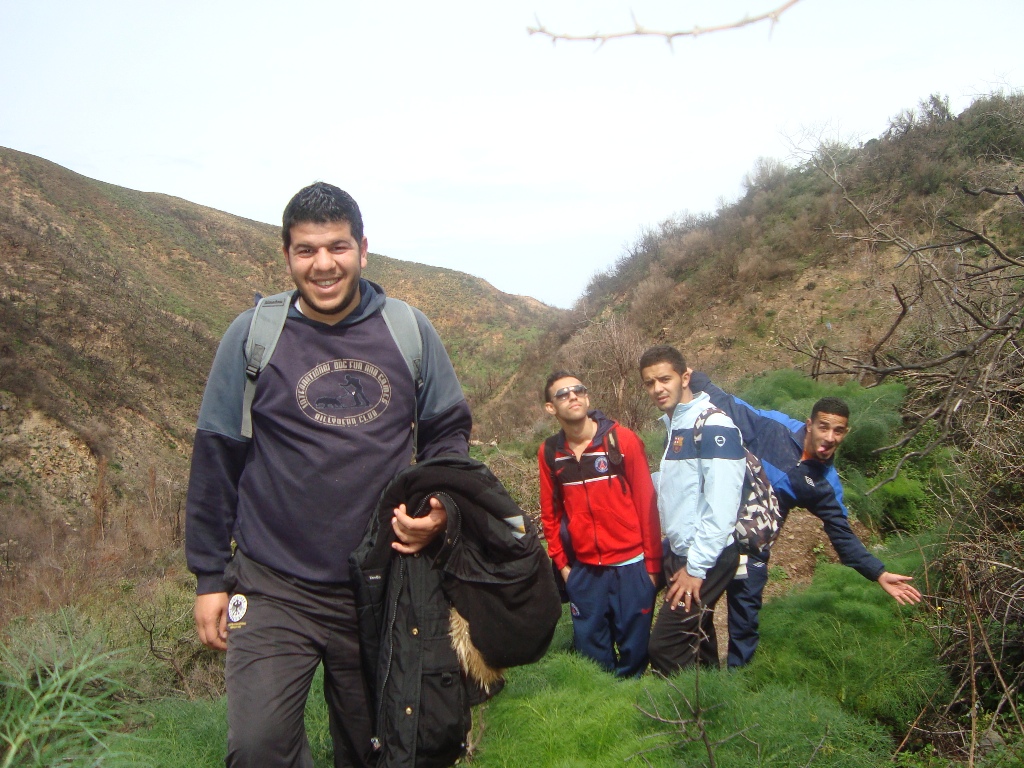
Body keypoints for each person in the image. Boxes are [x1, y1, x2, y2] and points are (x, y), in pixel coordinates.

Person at [185, 182, 471, 767]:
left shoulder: (408, 330)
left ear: (363, 249)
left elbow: (447, 435)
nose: (323, 265)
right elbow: (216, 459)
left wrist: (440, 507)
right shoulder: (252, 337)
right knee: (259, 748)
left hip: (382, 584)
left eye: (337, 247)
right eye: (306, 250)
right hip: (273, 584)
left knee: (379, 748)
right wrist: (210, 576)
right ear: (287, 255)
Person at [688, 371, 923, 669]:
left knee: (744, 625)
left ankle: (735, 687)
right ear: (810, 424)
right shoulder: (774, 427)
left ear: (845, 433)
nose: (829, 437)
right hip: (715, 536)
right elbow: (727, 404)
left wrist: (878, 572)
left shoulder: (826, 485)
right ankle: (701, 679)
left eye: (838, 431)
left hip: (754, 552)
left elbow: (843, 537)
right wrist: (689, 374)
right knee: (696, 612)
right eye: (823, 427)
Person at [538, 371, 661, 677]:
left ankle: (632, 714)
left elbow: (648, 505)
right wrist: (564, 566)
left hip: (631, 567)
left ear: (587, 396)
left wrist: (652, 568)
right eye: (563, 394)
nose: (573, 396)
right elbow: (549, 514)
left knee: (635, 654)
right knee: (592, 660)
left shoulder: (622, 441)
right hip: (585, 571)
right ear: (550, 408)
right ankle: (603, 709)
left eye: (578, 390)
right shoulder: (551, 453)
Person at [639, 346, 746, 675]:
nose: (657, 388)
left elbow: (723, 506)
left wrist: (696, 568)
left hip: (707, 555)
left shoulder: (714, 424)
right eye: (649, 382)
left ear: (685, 377)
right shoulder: (676, 426)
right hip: (683, 550)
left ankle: (682, 719)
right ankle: (716, 709)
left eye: (664, 379)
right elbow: (681, 489)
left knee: (665, 646)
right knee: (699, 641)